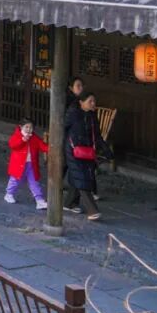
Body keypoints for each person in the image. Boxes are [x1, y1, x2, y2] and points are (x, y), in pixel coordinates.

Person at [65, 93, 107, 221]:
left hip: (87, 151)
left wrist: (105, 149)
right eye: (90, 101)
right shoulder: (72, 113)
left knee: (79, 176)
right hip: (72, 149)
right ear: (81, 102)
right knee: (82, 177)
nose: (93, 104)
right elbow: (62, 129)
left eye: (94, 101)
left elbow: (97, 135)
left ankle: (69, 203)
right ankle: (92, 210)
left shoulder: (92, 116)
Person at [6, 119, 49, 209]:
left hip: (31, 164)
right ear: (21, 127)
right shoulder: (17, 135)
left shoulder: (34, 137)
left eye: (31, 127)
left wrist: (50, 149)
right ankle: (9, 194)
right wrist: (22, 140)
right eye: (27, 127)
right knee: (15, 180)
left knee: (34, 182)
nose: (29, 129)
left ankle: (39, 200)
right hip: (18, 164)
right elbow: (12, 145)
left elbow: (42, 146)